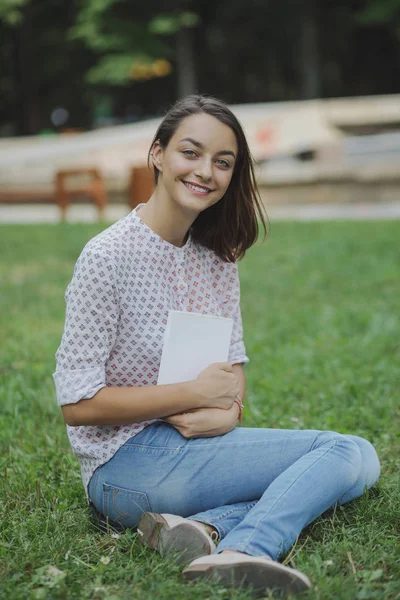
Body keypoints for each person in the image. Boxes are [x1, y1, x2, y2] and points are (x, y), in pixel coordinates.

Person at [54, 94, 380, 597]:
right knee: (339, 453)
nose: (206, 171)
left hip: (195, 448)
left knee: (358, 457)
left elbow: (231, 369)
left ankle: (203, 530)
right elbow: (77, 405)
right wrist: (191, 394)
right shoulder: (107, 256)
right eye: (191, 152)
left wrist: (230, 412)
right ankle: (247, 548)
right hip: (121, 468)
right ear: (158, 153)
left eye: (223, 162)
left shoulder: (218, 260)